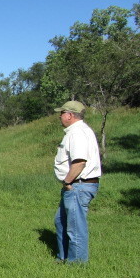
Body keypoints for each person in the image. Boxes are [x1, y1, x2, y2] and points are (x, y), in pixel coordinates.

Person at [53, 100, 101, 263]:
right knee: (61, 221)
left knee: (75, 227)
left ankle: (77, 265)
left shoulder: (77, 133)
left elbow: (79, 162)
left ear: (70, 115)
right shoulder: (76, 132)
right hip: (76, 185)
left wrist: (67, 182)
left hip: (78, 185)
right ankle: (63, 257)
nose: (60, 116)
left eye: (61, 113)